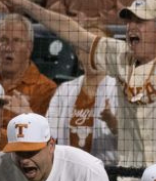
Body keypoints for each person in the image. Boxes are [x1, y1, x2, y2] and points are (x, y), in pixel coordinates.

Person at [4, 0, 156, 169]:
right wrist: (27, 5)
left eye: (140, 22)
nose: (131, 27)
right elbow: (71, 30)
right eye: (129, 21)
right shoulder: (119, 56)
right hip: (134, 175)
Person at [46, 25, 119, 165]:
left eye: (99, 48)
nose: (93, 54)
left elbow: (138, 142)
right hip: (68, 171)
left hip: (110, 172)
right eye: (86, 47)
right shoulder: (64, 91)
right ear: (78, 53)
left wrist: (113, 124)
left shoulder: (122, 90)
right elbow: (49, 135)